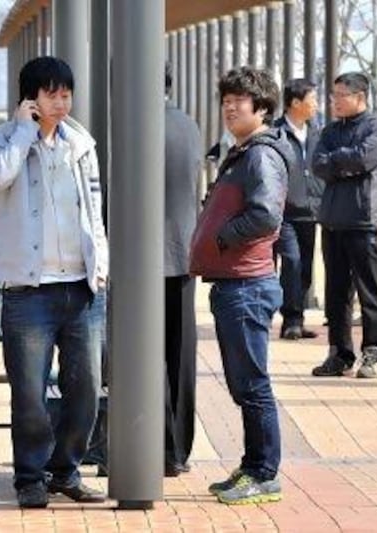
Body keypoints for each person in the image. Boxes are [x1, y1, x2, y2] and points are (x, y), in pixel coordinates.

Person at [0, 56, 107, 508]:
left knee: (87, 387)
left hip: (82, 288)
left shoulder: (81, 144)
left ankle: (65, 471)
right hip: (28, 292)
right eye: (51, 93)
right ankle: (30, 476)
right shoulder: (1, 140)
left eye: (66, 94)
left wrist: (102, 266)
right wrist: (23, 131)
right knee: (29, 392)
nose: (61, 102)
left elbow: (95, 210)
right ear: (30, 97)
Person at [189, 67, 293, 505]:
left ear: (263, 108)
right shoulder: (243, 152)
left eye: (240, 101)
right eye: (226, 100)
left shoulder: (261, 156)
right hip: (235, 283)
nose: (230, 108)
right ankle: (253, 465)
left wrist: (222, 236)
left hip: (247, 285)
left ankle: (264, 472)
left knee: (252, 384)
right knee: (243, 383)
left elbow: (266, 214)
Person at [310, 72, 377, 379]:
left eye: (341, 95)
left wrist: (340, 163)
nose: (335, 101)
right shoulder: (329, 130)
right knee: (336, 293)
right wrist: (343, 164)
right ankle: (339, 352)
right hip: (332, 221)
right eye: (333, 96)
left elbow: (363, 159)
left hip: (363, 220)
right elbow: (318, 164)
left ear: (360, 97)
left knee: (368, 290)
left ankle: (374, 351)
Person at [163, 63, 202, 477]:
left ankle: (156, 445)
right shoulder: (188, 125)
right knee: (180, 354)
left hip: (139, 261)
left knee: (143, 355)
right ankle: (179, 451)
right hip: (182, 253)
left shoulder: (128, 124)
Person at [273, 78, 323, 340]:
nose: (316, 104)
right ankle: (290, 319)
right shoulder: (276, 133)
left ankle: (297, 319)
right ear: (295, 103)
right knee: (291, 262)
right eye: (312, 99)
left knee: (305, 267)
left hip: (311, 211)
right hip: (285, 214)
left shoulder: (317, 131)